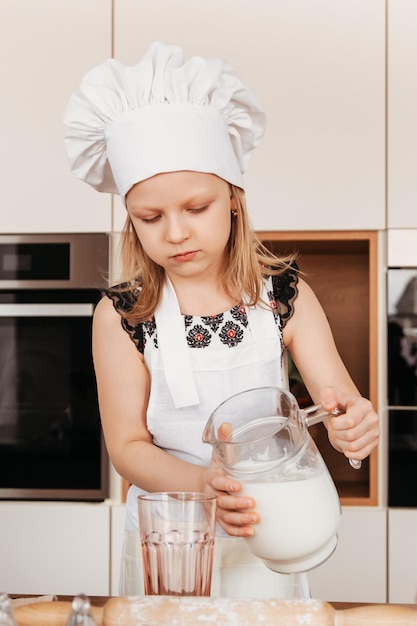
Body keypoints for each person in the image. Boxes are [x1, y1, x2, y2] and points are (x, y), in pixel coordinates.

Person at [63, 42, 379, 598]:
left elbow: (338, 405)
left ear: (233, 198)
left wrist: (354, 422)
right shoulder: (121, 317)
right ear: (130, 220)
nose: (176, 233)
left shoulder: (284, 297)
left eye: (197, 208)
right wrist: (205, 485)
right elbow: (129, 447)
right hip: (170, 538)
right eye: (150, 217)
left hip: (271, 524)